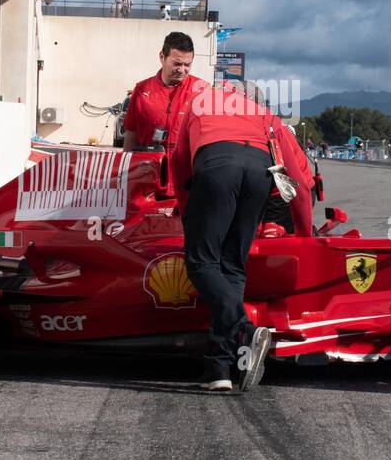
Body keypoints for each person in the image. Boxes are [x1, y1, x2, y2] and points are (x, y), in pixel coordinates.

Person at [169, 84, 313, 392]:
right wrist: (305, 234)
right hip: (260, 171)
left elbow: (179, 160)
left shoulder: (199, 103)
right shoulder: (264, 113)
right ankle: (219, 367)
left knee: (201, 262)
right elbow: (299, 183)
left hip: (218, 165)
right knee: (232, 266)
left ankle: (245, 329)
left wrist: (187, 215)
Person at [122, 31, 198, 153]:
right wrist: (127, 168)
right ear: (162, 57)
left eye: (187, 65)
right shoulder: (141, 90)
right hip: (148, 168)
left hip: (184, 171)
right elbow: (131, 136)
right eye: (176, 64)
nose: (182, 70)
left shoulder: (201, 92)